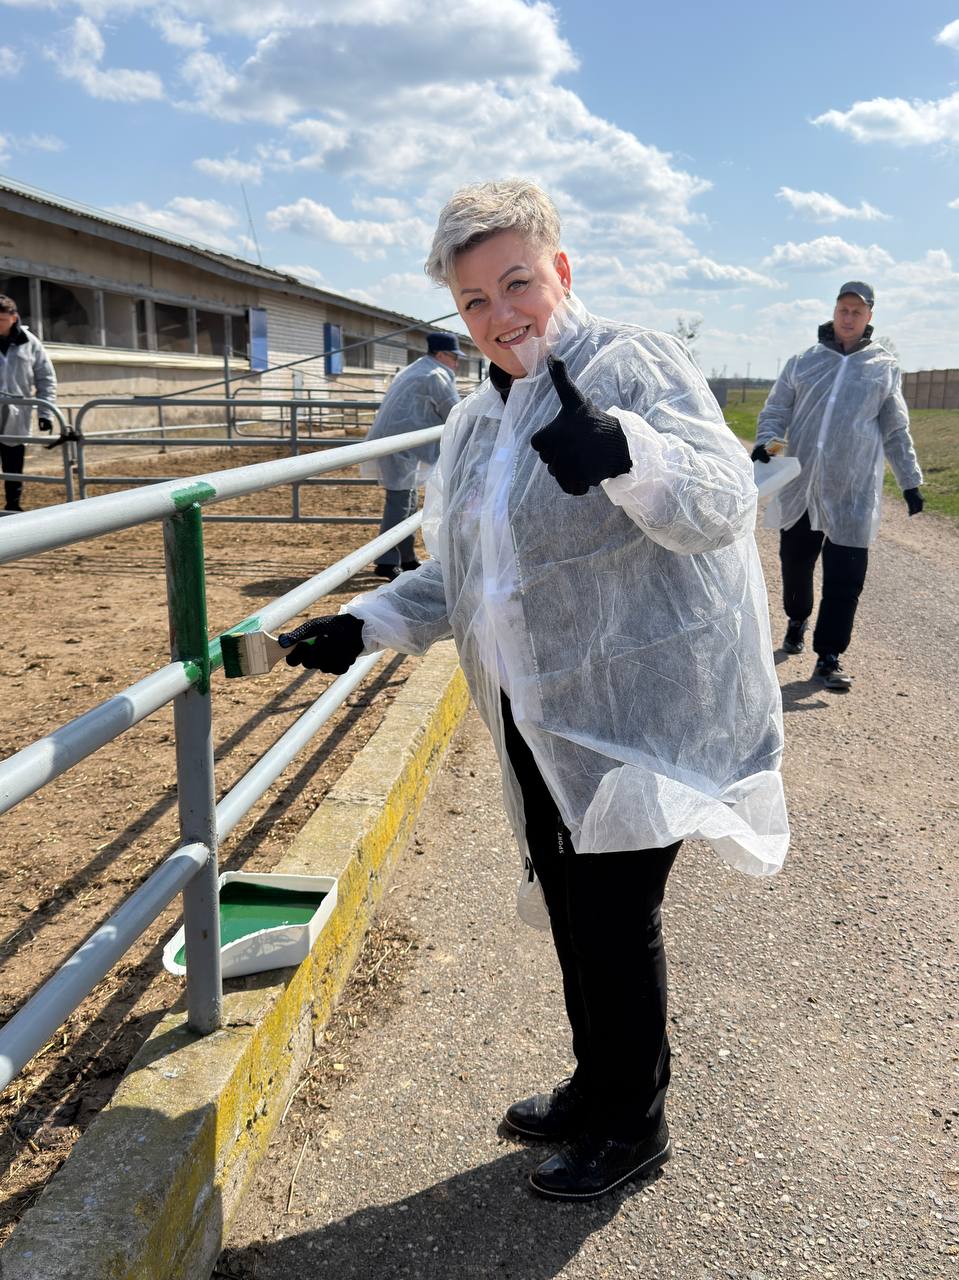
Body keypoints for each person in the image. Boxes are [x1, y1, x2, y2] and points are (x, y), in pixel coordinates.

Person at [278, 180, 788, 1201]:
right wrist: (365, 622)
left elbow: (723, 502)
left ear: (560, 268)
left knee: (613, 918)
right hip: (537, 714)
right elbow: (470, 573)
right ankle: (597, 1087)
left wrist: (624, 451)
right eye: (473, 300)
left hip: (640, 710)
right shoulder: (476, 422)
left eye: (516, 282)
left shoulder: (631, 365)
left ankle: (633, 1122)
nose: (499, 314)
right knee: (570, 907)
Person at [753, 282, 923, 691]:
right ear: (834, 312)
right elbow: (776, 409)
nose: (848, 317)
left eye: (857, 312)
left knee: (845, 579)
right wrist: (767, 442)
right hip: (802, 487)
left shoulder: (882, 367)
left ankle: (828, 656)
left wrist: (910, 481)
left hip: (852, 491)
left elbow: (895, 429)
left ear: (869, 317)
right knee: (795, 565)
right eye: (843, 310)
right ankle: (797, 617)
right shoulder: (804, 362)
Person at [364, 331, 462, 580]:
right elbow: (454, 411)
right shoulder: (435, 375)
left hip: (398, 442)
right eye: (454, 357)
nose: (457, 363)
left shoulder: (419, 368)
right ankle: (387, 561)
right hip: (400, 444)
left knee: (407, 499)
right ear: (441, 355)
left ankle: (406, 557)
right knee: (400, 501)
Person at [0, 294, 57, 514]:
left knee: (14, 461)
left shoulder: (29, 342)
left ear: (14, 318)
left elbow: (46, 378)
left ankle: (13, 506)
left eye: (2, 320)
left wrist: (45, 413)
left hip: (17, 413)